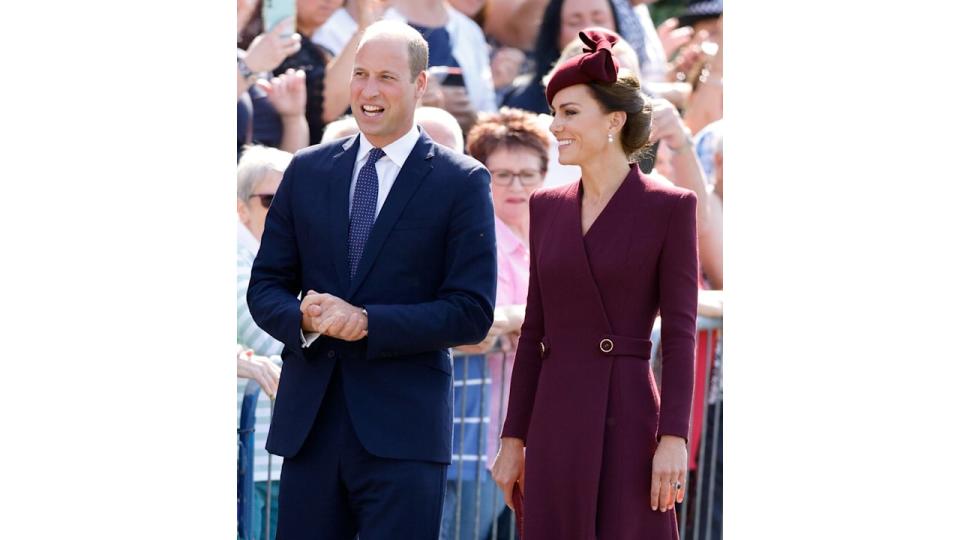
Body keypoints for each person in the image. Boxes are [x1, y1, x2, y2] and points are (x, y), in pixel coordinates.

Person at [247, 20, 498, 540]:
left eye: (386, 76)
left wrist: (368, 323)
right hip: (310, 428)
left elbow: (471, 310)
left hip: (403, 434)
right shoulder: (307, 170)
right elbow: (266, 285)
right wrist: (304, 317)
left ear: (420, 84)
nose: (368, 90)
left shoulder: (461, 181)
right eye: (360, 74)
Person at [491, 30, 697, 539]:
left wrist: (673, 437)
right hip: (555, 418)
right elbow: (535, 329)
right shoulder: (547, 206)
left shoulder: (670, 208)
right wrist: (513, 438)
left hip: (629, 417)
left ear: (614, 120)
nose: (555, 125)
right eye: (554, 112)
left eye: (569, 112)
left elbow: (679, 335)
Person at [236, 144, 294, 540]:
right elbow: (268, 333)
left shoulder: (292, 256)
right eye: (271, 200)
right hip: (249, 456)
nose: (283, 211)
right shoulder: (236, 259)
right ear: (242, 209)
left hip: (278, 455)